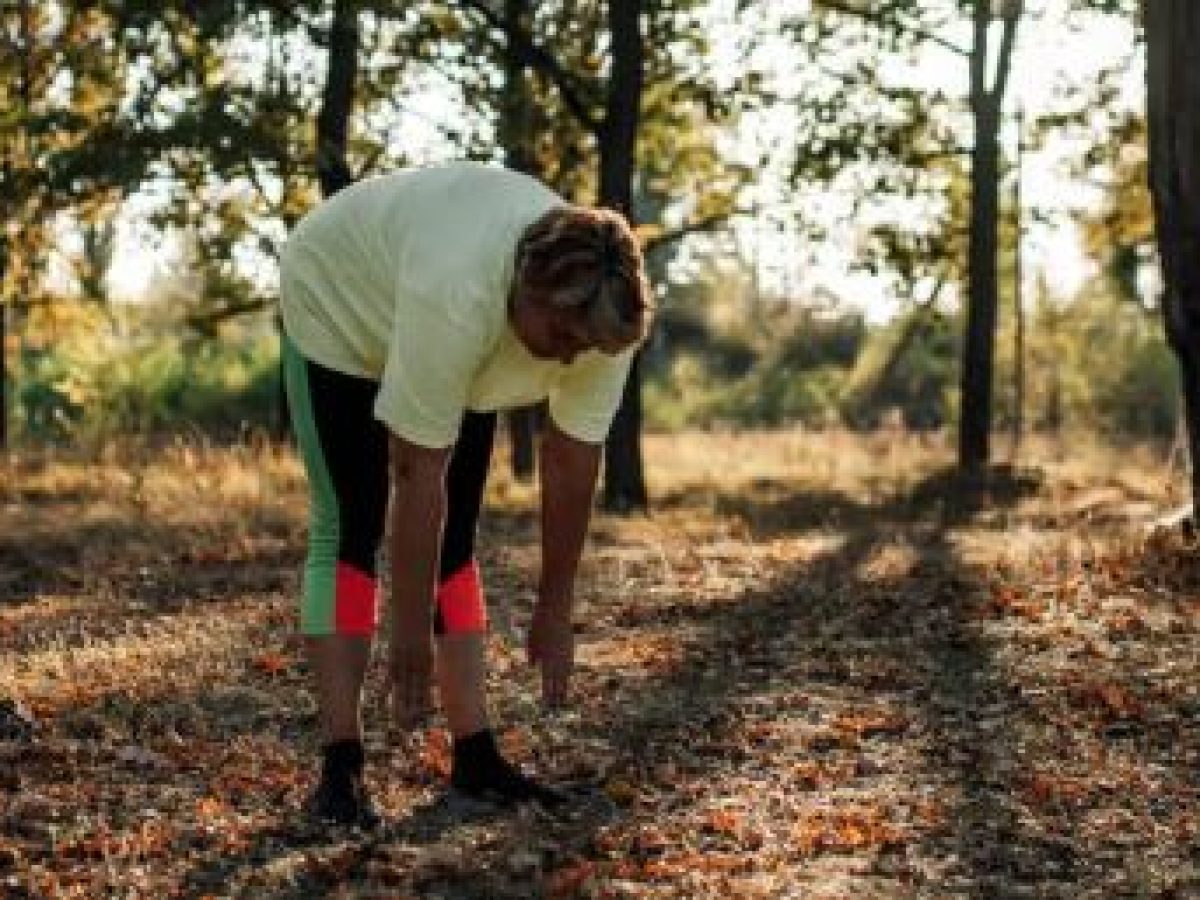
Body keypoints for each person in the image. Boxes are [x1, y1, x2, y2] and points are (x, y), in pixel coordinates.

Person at [278, 161, 652, 826]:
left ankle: (475, 755)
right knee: (350, 522)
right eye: (563, 337)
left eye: (584, 345)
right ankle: (341, 768)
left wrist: (556, 602)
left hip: (454, 318)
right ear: (528, 291)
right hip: (339, 300)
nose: (570, 358)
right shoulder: (457, 293)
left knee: (459, 540)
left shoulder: (606, 309)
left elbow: (571, 458)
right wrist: (410, 630)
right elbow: (415, 474)